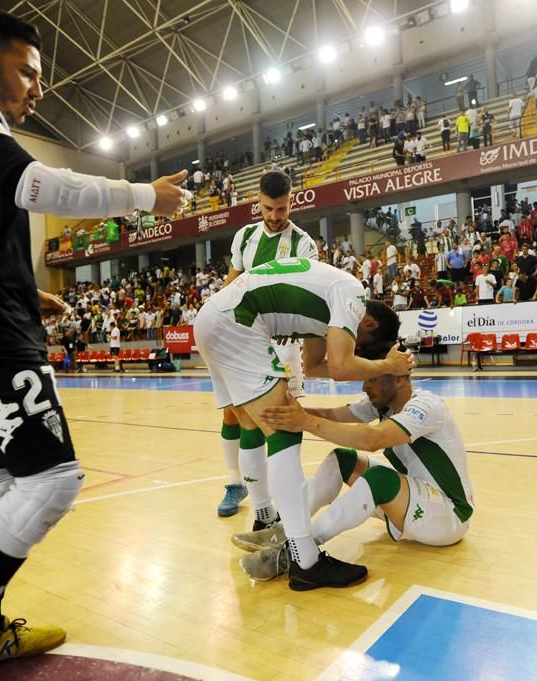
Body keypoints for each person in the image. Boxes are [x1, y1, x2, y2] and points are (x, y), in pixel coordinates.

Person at [0, 7, 190, 679]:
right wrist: (142, 195)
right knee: (53, 479)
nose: (38, 88)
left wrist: (27, 293)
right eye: (28, 71)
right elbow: (33, 185)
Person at [193, 258, 412, 591]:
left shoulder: (325, 306)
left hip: (213, 318)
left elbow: (314, 366)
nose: (358, 349)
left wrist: (367, 361)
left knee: (253, 424)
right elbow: (340, 367)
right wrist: (388, 363)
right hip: (238, 323)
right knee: (284, 428)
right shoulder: (352, 292)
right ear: (366, 323)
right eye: (363, 345)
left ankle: (265, 516)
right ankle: (305, 560)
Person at [230, 342, 473, 577]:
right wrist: (284, 412)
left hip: (448, 515)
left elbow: (373, 440)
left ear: (399, 378)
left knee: (379, 478)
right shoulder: (381, 404)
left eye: (373, 378)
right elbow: (332, 415)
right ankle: (283, 532)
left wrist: (305, 422)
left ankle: (295, 550)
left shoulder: (426, 407)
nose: (365, 386)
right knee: (343, 459)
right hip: (414, 501)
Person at [217, 170, 318, 520]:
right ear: (256, 202)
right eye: (268, 209)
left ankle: (286, 498)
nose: (275, 217)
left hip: (282, 342)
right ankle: (237, 484)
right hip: (242, 340)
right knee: (234, 412)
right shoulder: (244, 237)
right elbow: (231, 284)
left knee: (280, 419)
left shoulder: (304, 244)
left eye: (282, 209)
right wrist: (215, 315)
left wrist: (296, 326)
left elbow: (306, 294)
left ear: (292, 202)